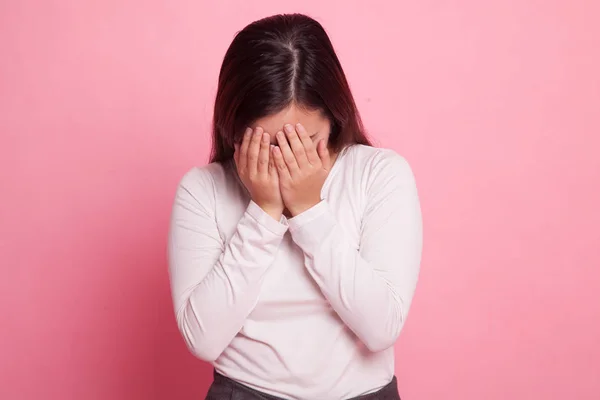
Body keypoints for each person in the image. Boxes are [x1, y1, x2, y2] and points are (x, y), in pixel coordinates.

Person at [168, 13, 422, 400]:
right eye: (270, 145)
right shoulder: (203, 189)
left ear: (335, 120)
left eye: (304, 141)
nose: (288, 160)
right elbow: (203, 339)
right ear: (234, 130)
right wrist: (263, 212)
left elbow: (381, 327)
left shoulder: (380, 174)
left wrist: (309, 211)